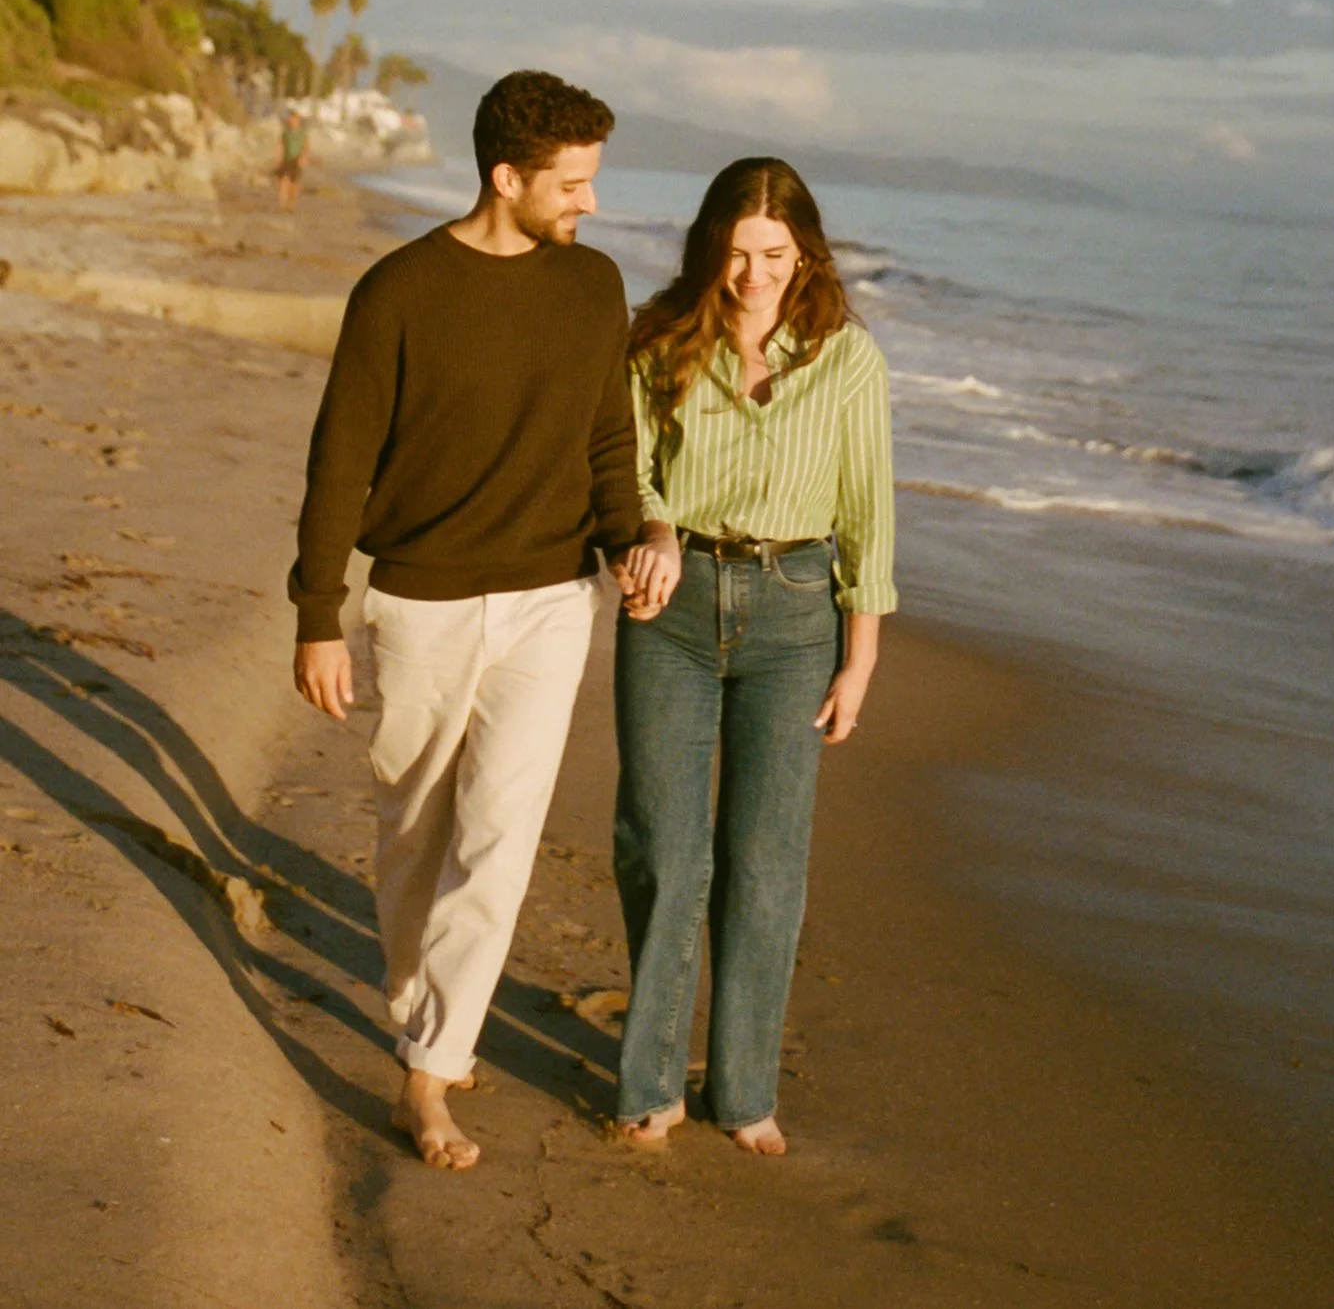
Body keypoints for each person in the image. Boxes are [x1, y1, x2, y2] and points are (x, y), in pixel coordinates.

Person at [289, 70, 675, 1172]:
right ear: (505, 178)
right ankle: (418, 1001)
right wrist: (318, 614)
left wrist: (632, 540)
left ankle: (429, 1072)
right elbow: (340, 463)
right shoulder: (398, 290)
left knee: (499, 844)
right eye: (572, 183)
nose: (590, 203)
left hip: (552, 602)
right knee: (411, 832)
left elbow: (608, 439)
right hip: (418, 603)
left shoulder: (591, 286)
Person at [610, 157, 895, 1156]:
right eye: (735, 251)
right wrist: (651, 529)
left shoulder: (848, 359)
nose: (752, 272)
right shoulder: (657, 341)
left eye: (772, 252)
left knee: (765, 862)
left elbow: (868, 514)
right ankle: (648, 1078)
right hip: (672, 609)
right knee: (661, 847)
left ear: (803, 252)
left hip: (793, 615)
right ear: (708, 248)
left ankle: (742, 1088)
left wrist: (858, 661)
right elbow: (634, 464)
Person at [275, 105, 309, 212]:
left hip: (297, 160)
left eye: (294, 118)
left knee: (294, 184)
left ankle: (291, 204)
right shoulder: (286, 132)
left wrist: (303, 158)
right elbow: (280, 144)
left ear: (298, 120)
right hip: (286, 159)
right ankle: (282, 204)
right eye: (290, 118)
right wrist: (278, 157)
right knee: (283, 181)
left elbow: (306, 147)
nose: (292, 120)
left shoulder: (302, 133)